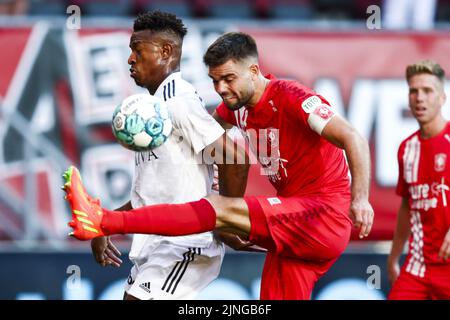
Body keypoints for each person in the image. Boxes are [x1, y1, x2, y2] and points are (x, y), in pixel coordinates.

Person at [65, 32, 374, 300]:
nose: (222, 89)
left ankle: (103, 220)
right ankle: (109, 220)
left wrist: (360, 200)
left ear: (253, 70)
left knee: (219, 209)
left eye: (228, 78)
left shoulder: (293, 97)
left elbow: (353, 138)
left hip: (323, 215)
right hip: (295, 229)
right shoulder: (234, 108)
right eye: (215, 81)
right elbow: (195, 158)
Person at [87, 12, 249, 300]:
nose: (130, 59)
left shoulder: (177, 101)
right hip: (157, 244)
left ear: (165, 52)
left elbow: (234, 158)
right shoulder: (154, 110)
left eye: (138, 51)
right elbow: (154, 195)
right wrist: (106, 223)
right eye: (130, 51)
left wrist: (225, 220)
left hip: (183, 243)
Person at [387, 60, 450, 300]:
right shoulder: (406, 148)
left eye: (427, 91)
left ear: (442, 97)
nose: (419, 98)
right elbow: (406, 205)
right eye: (413, 91)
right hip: (418, 267)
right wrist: (394, 256)